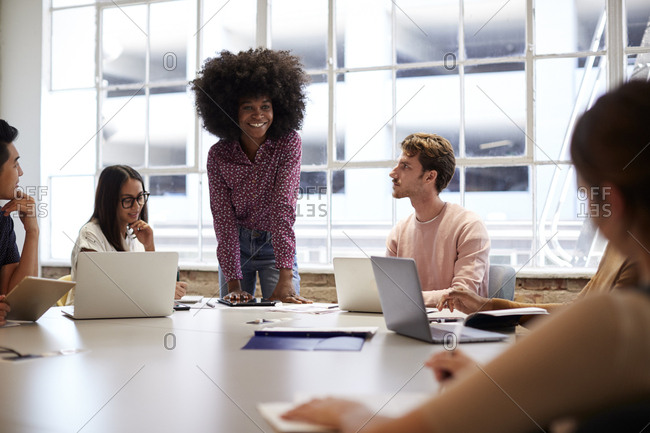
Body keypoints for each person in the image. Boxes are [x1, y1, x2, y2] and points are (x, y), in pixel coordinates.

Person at [282, 81, 650, 432]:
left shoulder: (617, 320)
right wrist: (495, 379)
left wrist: (349, 409)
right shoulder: (620, 307)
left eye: (585, 193)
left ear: (611, 202)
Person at [191, 48, 311, 304]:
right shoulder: (219, 155)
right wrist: (233, 283)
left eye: (265, 107)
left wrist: (286, 276)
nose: (258, 115)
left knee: (283, 318)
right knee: (232, 322)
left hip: (274, 245)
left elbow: (282, 208)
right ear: (231, 112)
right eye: (248, 107)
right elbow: (223, 218)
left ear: (277, 108)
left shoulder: (288, 143)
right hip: (236, 244)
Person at [386, 133, 490, 307]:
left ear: (429, 177)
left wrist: (405, 298)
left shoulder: (469, 226)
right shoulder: (399, 231)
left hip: (459, 330)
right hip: (410, 324)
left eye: (405, 166)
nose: (392, 173)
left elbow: (462, 298)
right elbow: (388, 292)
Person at [437, 243, 638, 325]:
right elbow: (574, 311)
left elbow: (598, 332)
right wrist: (488, 305)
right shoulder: (619, 243)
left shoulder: (638, 257)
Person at [69, 165, 187, 303]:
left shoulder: (134, 235)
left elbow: (147, 283)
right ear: (109, 201)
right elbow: (100, 292)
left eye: (140, 197)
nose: (137, 206)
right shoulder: (90, 234)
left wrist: (149, 246)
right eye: (128, 200)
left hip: (123, 316)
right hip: (92, 319)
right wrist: (160, 290)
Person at [0, 119, 39, 308]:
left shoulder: (3, 220)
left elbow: (17, 300)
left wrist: (33, 232)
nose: (21, 173)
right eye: (15, 165)